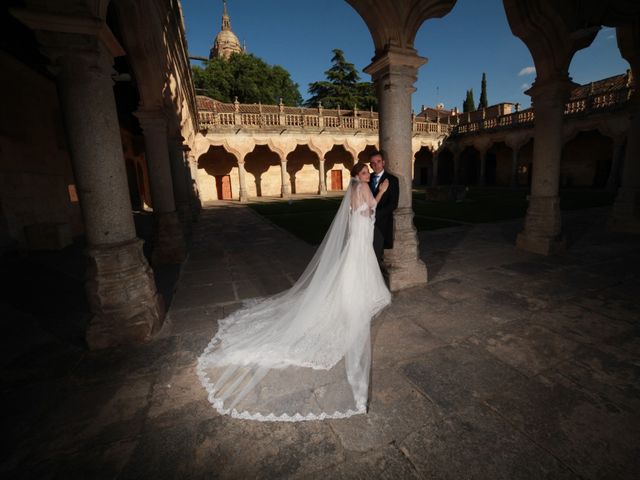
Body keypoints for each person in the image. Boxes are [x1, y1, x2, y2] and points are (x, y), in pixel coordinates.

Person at [197, 162, 391, 421]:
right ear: (358, 175)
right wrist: (382, 191)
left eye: (368, 171)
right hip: (362, 232)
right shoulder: (365, 187)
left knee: (353, 264)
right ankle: (360, 296)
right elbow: (373, 206)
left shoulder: (352, 190)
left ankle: (353, 294)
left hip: (357, 231)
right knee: (359, 264)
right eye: (365, 172)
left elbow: (356, 211)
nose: (368, 174)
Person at [368, 151, 399, 262]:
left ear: (383, 163)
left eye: (378, 161)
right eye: (373, 163)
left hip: (381, 224)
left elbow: (393, 204)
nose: (376, 165)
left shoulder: (392, 180)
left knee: (376, 256)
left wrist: (374, 215)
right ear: (370, 165)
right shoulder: (367, 179)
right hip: (365, 224)